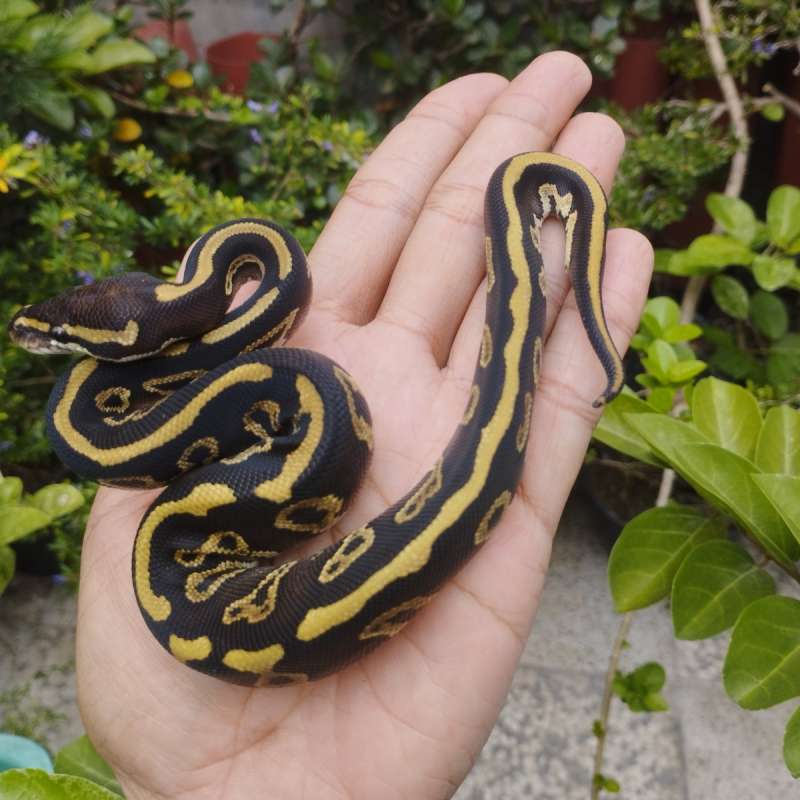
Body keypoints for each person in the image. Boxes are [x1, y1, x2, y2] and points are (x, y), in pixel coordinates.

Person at [76, 51, 653, 799]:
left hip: (235, 561)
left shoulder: (192, 432)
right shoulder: (233, 398)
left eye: (61, 340)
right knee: (479, 447)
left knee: (470, 451)